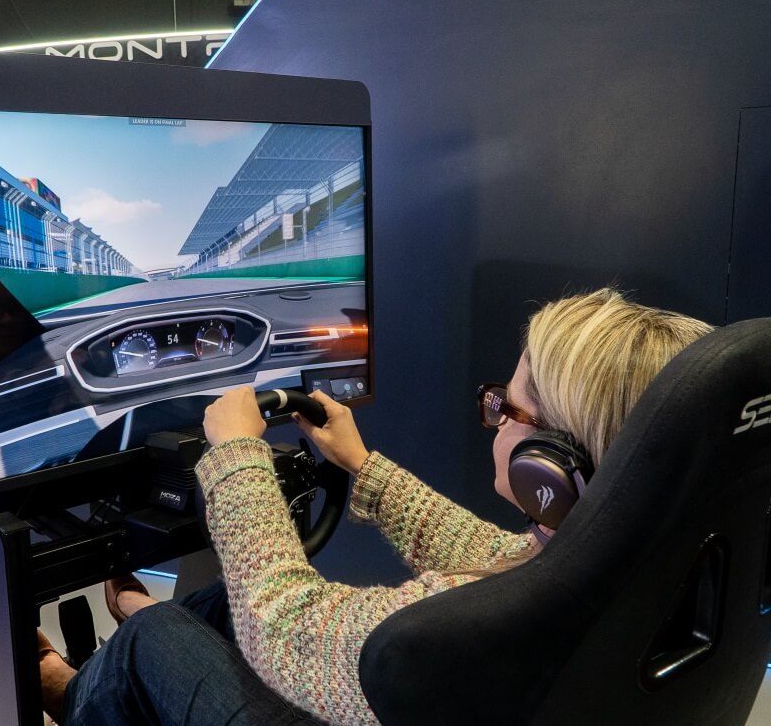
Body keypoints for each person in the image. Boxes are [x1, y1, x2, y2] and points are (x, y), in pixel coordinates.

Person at [39, 288, 713, 725]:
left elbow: (287, 624)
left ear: (553, 465)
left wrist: (239, 456)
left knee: (158, 636)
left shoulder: (471, 635)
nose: (493, 417)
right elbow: (501, 558)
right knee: (215, 604)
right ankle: (124, 650)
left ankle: (73, 691)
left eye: (506, 408)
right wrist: (362, 467)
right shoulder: (640, 556)